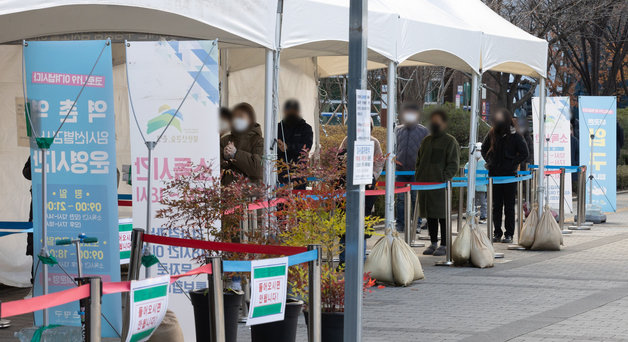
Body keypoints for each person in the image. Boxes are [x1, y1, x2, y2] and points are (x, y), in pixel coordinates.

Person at [415, 109, 459, 256]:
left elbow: (453, 164)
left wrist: (444, 178)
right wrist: (419, 175)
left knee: (443, 215)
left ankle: (445, 244)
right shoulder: (426, 141)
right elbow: (419, 160)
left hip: (440, 186)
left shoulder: (450, 141)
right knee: (430, 215)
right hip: (425, 185)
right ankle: (433, 242)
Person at [481, 108, 529, 243]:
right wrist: (490, 162)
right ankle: (497, 232)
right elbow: (484, 149)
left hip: (509, 176)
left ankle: (509, 234)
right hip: (494, 175)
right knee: (496, 206)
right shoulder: (492, 133)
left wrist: (512, 163)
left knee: (509, 206)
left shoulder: (516, 135)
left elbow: (525, 153)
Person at [395, 102, 429, 232]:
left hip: (416, 171)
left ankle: (417, 224)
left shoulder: (423, 130)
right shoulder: (397, 130)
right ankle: (400, 224)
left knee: (416, 198)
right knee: (400, 199)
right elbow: (393, 147)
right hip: (401, 170)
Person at [220, 102, 264, 184]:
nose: (236, 119)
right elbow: (213, 166)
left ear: (250, 120)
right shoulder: (224, 140)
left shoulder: (259, 141)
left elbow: (258, 170)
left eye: (240, 116)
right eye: (234, 117)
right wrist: (224, 158)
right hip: (226, 192)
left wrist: (235, 154)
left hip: (250, 192)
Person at [277, 99, 313, 189]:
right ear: (285, 112)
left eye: (293, 111)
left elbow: (306, 148)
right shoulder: (278, 128)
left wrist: (288, 147)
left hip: (299, 170)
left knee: (299, 200)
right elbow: (270, 148)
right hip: (281, 170)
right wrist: (279, 147)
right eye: (289, 111)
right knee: (281, 199)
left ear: (298, 112)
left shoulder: (306, 128)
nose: (291, 114)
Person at [465, 143, 488, 223]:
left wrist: (487, 184)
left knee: (483, 203)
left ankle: (483, 216)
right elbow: (466, 174)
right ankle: (473, 216)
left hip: (482, 187)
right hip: (472, 187)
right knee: (472, 202)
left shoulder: (485, 163)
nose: (478, 152)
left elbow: (487, 174)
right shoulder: (469, 163)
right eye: (477, 150)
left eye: (480, 150)